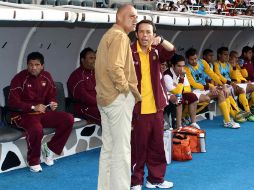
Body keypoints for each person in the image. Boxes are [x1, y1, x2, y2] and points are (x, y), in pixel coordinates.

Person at [95, 4, 141, 190]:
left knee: (108, 149)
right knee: (122, 151)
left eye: (136, 17)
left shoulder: (107, 35)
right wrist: (125, 91)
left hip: (105, 99)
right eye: (131, 16)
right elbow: (115, 68)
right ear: (119, 17)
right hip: (117, 99)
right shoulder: (121, 37)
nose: (135, 20)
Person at [8, 52, 74, 172]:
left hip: (42, 113)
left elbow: (51, 95)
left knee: (68, 118)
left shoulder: (47, 76)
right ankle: (33, 161)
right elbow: (12, 102)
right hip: (23, 115)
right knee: (36, 128)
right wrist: (33, 107)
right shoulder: (19, 78)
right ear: (27, 65)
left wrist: (52, 103)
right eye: (30, 64)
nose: (33, 67)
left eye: (37, 64)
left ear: (42, 66)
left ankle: (49, 148)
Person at [130, 19, 175, 190]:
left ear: (153, 35)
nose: (145, 35)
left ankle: (155, 179)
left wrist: (161, 40)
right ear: (136, 34)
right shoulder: (129, 52)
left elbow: (172, 51)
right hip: (138, 109)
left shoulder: (156, 51)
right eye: (142, 31)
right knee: (138, 148)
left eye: (149, 32)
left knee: (157, 146)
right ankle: (136, 181)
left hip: (157, 107)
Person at [185, 48, 241, 128]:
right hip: (195, 90)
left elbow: (212, 74)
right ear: (187, 59)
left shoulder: (202, 62)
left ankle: (228, 120)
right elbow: (193, 84)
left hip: (205, 88)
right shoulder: (186, 68)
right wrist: (209, 86)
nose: (194, 61)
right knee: (220, 93)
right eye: (191, 59)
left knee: (223, 92)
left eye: (195, 59)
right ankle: (227, 121)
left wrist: (222, 85)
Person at [214, 47, 254, 121]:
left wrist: (235, 66)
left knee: (241, 90)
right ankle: (236, 114)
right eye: (225, 55)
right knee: (229, 93)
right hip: (222, 85)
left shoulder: (228, 65)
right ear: (219, 55)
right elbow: (219, 76)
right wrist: (232, 83)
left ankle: (248, 112)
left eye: (228, 55)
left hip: (231, 84)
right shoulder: (216, 64)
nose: (227, 56)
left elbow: (233, 76)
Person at [163, 54, 200, 129]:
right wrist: (182, 79)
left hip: (178, 93)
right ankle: (178, 125)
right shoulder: (167, 75)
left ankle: (193, 122)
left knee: (193, 97)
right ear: (173, 66)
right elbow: (176, 92)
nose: (182, 68)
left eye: (183, 66)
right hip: (167, 96)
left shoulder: (182, 73)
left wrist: (179, 86)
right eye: (179, 66)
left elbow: (187, 88)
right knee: (179, 98)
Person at [67, 47, 100, 125]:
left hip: (98, 106)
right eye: (91, 58)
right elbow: (84, 97)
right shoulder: (77, 76)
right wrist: (101, 103)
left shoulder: (96, 73)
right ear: (83, 60)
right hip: (84, 108)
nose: (94, 60)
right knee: (109, 115)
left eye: (95, 58)